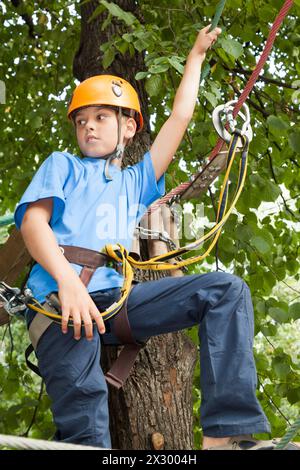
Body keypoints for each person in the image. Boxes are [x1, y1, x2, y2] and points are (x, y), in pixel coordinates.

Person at [13, 25, 285, 451]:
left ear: (128, 129)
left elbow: (180, 117)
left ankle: (227, 436)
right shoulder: (61, 165)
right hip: (58, 301)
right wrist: (67, 283)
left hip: (115, 301)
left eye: (101, 117)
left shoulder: (137, 182)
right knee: (87, 416)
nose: (88, 127)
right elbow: (34, 224)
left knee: (225, 292)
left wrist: (194, 57)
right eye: (81, 120)